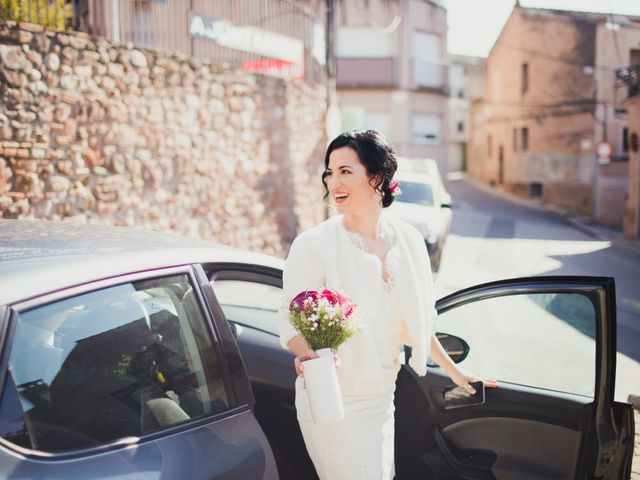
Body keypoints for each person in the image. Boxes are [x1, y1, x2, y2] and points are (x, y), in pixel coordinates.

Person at [278, 130, 498, 479]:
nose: (334, 181)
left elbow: (419, 324)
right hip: (333, 398)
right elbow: (289, 321)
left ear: (376, 178)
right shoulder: (315, 245)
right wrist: (309, 352)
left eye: (345, 171)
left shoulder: (409, 241)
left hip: (381, 396)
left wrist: (458, 374)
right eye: (330, 172)